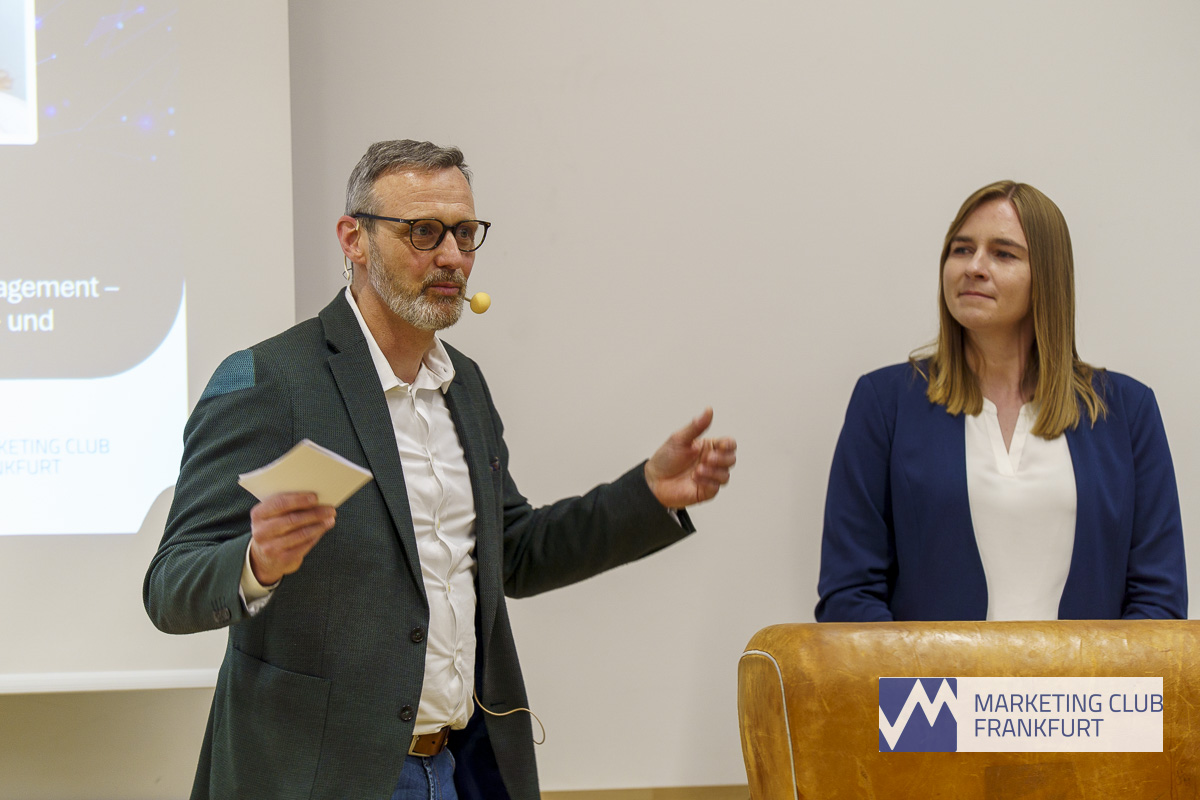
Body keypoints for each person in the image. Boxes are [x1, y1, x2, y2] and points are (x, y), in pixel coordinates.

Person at [143, 140, 737, 800]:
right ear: (354, 239)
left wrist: (647, 495)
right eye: (423, 232)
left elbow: (514, 553)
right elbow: (170, 585)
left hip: (453, 767)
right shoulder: (270, 380)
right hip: (320, 778)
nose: (452, 256)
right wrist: (257, 561)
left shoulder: (465, 386)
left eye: (464, 233)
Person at [815, 180, 1185, 623]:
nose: (974, 267)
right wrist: (931, 672)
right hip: (926, 674)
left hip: (1089, 674)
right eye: (961, 249)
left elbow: (1158, 600)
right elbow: (849, 594)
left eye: (1003, 253)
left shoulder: (1127, 411)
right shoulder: (885, 403)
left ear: (1047, 277)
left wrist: (1091, 673)